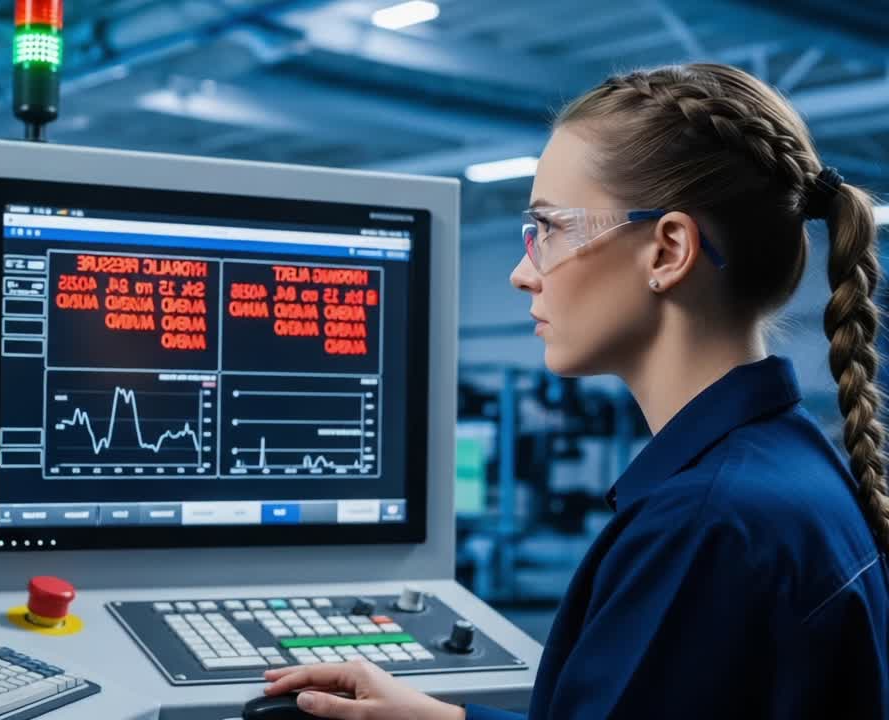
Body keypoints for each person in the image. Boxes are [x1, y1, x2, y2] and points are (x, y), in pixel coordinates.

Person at [260, 63, 889, 719]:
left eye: (550, 229)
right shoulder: (781, 470)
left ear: (668, 251)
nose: (521, 273)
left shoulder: (707, 527)